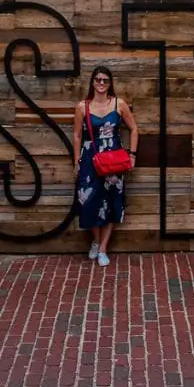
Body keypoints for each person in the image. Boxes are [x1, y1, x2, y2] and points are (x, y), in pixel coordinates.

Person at [73, 66, 139, 267]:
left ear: (110, 84)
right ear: (92, 82)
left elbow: (134, 129)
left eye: (105, 80)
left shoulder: (119, 104)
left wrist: (132, 154)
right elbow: (76, 135)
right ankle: (95, 240)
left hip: (113, 159)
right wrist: (76, 161)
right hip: (90, 160)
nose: (101, 83)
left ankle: (102, 248)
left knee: (111, 202)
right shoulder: (82, 107)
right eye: (98, 79)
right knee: (88, 202)